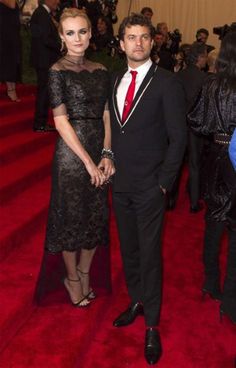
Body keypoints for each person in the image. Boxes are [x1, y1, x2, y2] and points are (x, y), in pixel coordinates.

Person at [109, 13, 186, 365]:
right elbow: (115, 130)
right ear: (121, 42)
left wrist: (162, 184)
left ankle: (152, 324)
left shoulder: (167, 83)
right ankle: (137, 300)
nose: (137, 43)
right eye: (130, 37)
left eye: (143, 37)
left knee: (151, 255)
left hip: (150, 187)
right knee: (130, 250)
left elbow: (179, 139)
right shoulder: (115, 79)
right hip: (120, 184)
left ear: (152, 41)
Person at [42, 8, 115, 307]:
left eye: (82, 31)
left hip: (100, 150)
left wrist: (107, 154)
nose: (77, 38)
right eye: (70, 33)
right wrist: (87, 161)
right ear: (61, 36)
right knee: (71, 218)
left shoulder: (101, 70)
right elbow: (60, 122)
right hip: (72, 157)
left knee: (96, 216)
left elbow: (108, 115)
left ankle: (85, 272)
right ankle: (71, 278)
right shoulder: (56, 71)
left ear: (90, 33)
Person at [188, 31, 236, 324]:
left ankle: (210, 281)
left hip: (215, 158)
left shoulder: (211, 84)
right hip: (235, 160)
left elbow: (195, 120)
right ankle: (230, 300)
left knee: (214, 221)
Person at [177, 42, 208, 212]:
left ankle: (170, 201)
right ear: (199, 58)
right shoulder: (205, 79)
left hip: (178, 127)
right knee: (195, 165)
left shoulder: (178, 76)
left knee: (176, 163)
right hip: (196, 128)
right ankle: (194, 203)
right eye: (204, 56)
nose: (206, 60)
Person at [30, 0, 61, 132]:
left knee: (45, 92)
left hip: (45, 60)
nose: (57, 1)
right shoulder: (42, 14)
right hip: (44, 60)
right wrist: (60, 46)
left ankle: (41, 122)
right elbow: (45, 38)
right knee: (44, 92)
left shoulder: (43, 13)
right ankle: (39, 124)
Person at [0, 0, 21, 102]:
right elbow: (12, 4)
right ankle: (11, 89)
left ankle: (12, 89)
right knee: (8, 59)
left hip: (12, 29)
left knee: (12, 58)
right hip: (5, 30)